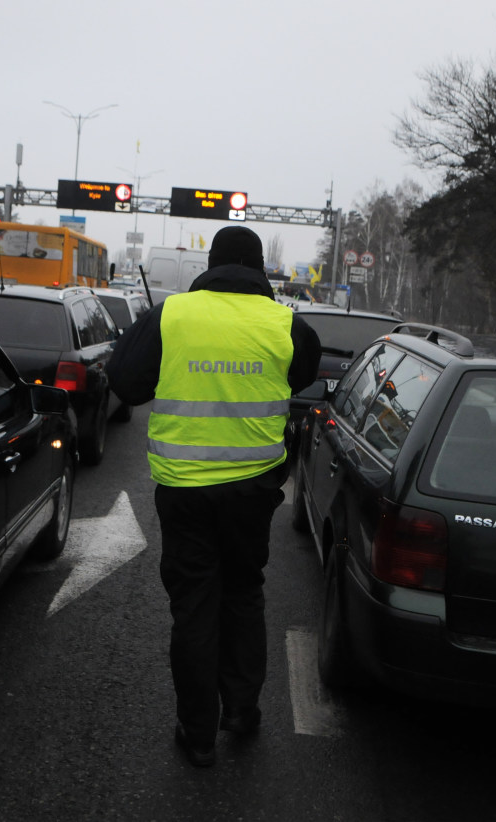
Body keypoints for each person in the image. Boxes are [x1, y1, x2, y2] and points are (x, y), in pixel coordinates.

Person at [107, 225, 320, 768]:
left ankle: (198, 733)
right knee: (244, 594)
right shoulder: (286, 323)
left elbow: (126, 384)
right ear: (259, 269)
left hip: (184, 493)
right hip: (253, 492)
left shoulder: (172, 314)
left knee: (195, 606)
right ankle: (242, 712)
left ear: (213, 263)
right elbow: (301, 376)